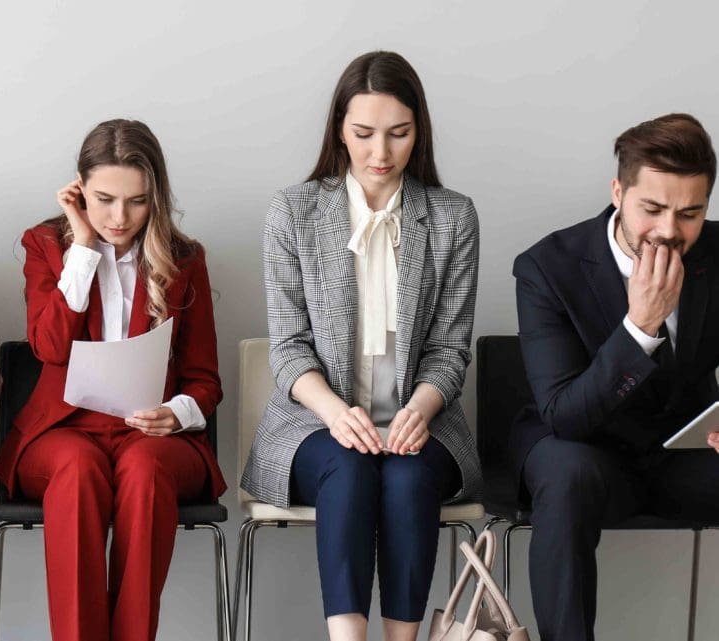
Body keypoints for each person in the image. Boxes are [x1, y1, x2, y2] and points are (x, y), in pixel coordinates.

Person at [240, 51, 482, 641]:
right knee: (349, 465)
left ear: (417, 131)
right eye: (364, 134)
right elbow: (290, 348)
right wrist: (334, 412)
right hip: (312, 422)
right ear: (339, 131)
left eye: (398, 134)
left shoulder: (453, 219)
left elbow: (450, 349)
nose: (381, 153)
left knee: (405, 475)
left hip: (421, 419)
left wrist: (418, 411)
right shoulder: (292, 213)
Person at [0, 118, 225, 641]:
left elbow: (205, 379)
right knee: (76, 470)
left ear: (156, 196)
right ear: (78, 189)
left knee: (143, 472)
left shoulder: (185, 259)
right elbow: (48, 347)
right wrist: (83, 244)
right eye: (104, 199)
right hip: (63, 433)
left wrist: (177, 413)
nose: (120, 217)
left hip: (155, 435)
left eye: (137, 201)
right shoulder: (45, 245)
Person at [512, 112, 719, 641]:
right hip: (584, 450)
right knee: (566, 473)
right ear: (618, 193)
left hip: (682, 456)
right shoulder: (547, 268)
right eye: (652, 209)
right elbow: (564, 416)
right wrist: (641, 326)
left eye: (690, 214)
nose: (670, 231)